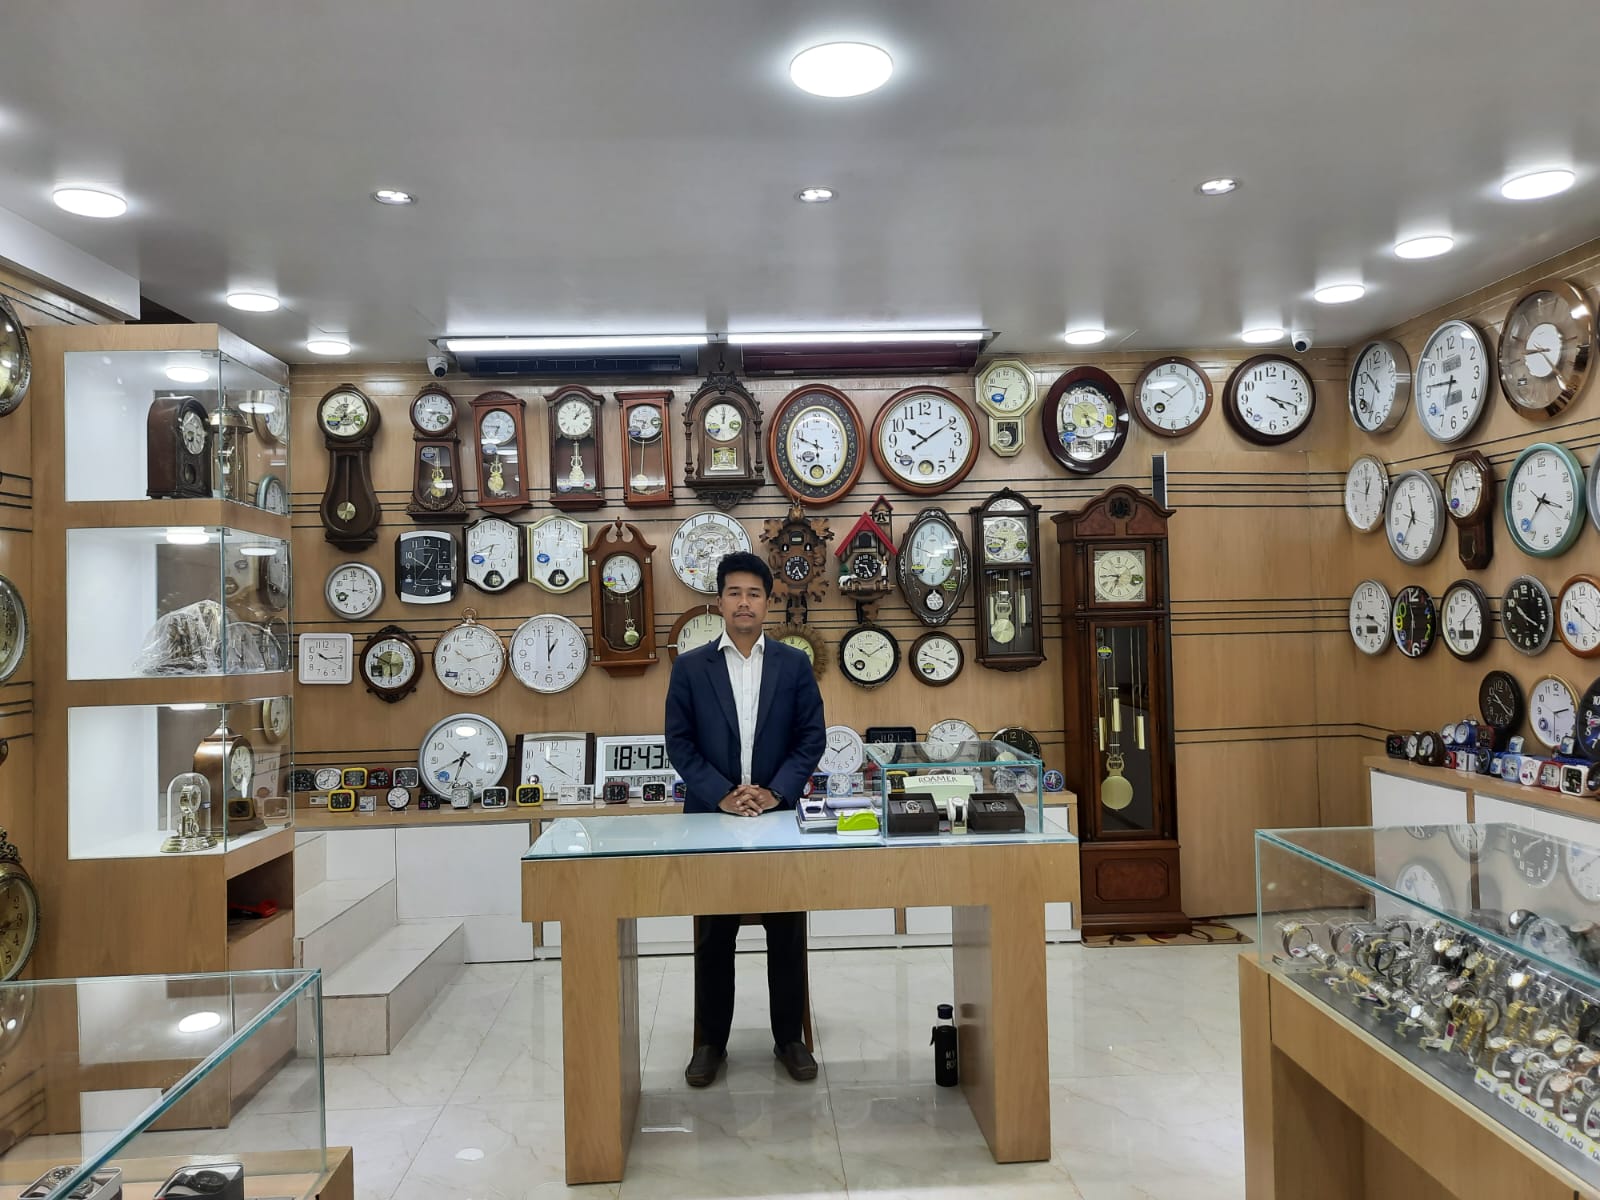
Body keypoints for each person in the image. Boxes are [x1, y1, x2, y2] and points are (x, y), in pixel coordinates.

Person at [664, 550, 826, 1088]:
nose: (744, 602)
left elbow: (810, 739)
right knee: (715, 933)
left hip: (778, 819)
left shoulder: (793, 665)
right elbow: (680, 744)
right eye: (734, 592)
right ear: (719, 601)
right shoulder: (691, 667)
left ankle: (790, 1038)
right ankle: (711, 1042)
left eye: (754, 594)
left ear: (767, 603)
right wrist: (722, 796)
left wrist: (775, 794)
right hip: (712, 819)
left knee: (787, 929)